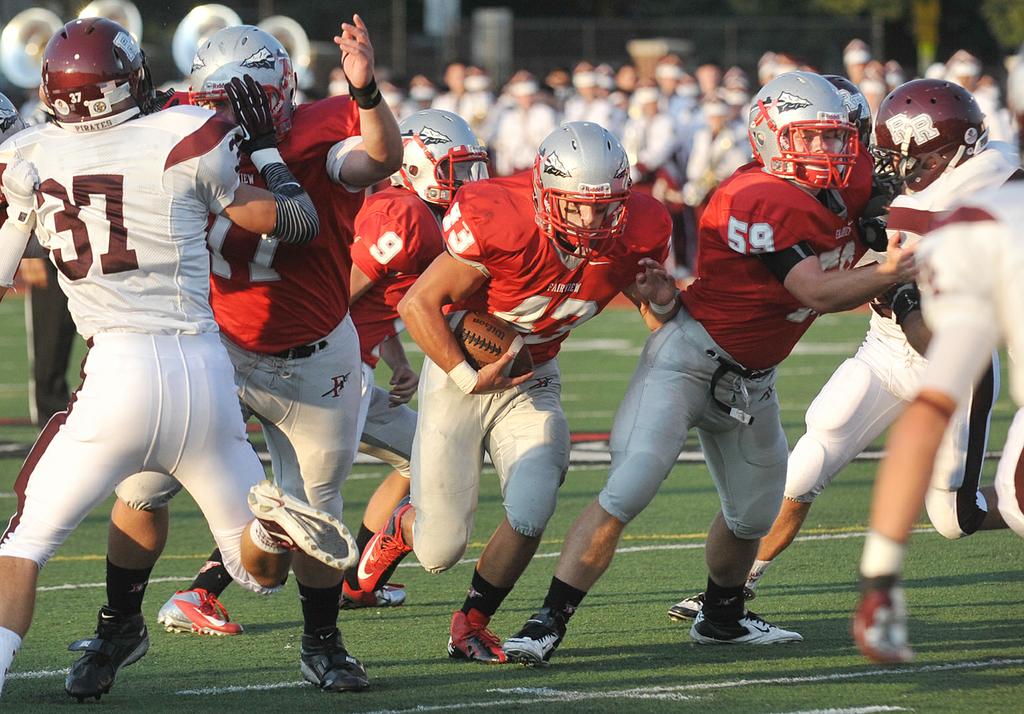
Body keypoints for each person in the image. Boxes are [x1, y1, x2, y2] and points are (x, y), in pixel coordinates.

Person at [500, 71, 917, 666]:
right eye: (811, 138)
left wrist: (898, 212)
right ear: (772, 137)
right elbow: (818, 292)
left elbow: (867, 227)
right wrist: (891, 269)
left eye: (833, 137)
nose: (829, 151)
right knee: (629, 487)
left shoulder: (844, 185)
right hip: (689, 359)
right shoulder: (756, 196)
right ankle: (548, 620)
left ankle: (722, 618)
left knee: (754, 513)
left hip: (753, 380)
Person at [0, 18, 354, 700]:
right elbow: (299, 223)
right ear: (127, 82)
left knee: (22, 545)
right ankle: (273, 531)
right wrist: (269, 154)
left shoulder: (33, 153)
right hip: (204, 373)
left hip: (116, 382)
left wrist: (20, 212)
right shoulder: (187, 137)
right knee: (257, 572)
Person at [71, 18, 403, 695]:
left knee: (313, 511)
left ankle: (321, 643)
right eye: (222, 101)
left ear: (283, 92)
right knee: (140, 485)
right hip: (212, 344)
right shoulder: (181, 129)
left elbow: (379, 158)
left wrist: (365, 91)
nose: (237, 115)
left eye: (249, 101)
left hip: (312, 357)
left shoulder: (316, 130)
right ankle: (119, 625)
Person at [668, 78, 1019, 621]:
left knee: (953, 516)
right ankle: (733, 590)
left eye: (922, 158)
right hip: (885, 350)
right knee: (811, 452)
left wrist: (898, 295)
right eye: (891, 154)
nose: (902, 169)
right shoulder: (860, 176)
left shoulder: (982, 189)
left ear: (959, 150)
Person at [355, 121, 673, 663]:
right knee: (438, 550)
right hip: (462, 374)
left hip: (532, 378)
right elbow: (417, 305)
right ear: (546, 193)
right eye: (576, 206)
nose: (593, 220)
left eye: (605, 205)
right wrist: (465, 375)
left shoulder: (637, 228)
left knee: (533, 502)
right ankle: (400, 528)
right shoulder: (499, 218)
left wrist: (664, 304)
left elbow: (660, 321)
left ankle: (471, 622)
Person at [853, 59, 1024, 665]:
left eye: (917, 162)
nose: (904, 176)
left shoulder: (970, 225)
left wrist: (879, 573)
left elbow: (931, 405)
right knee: (994, 503)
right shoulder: (988, 192)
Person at [341, 109, 490, 607]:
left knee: (417, 460)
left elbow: (378, 299)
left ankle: (357, 581)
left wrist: (396, 358)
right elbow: (341, 295)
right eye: (455, 168)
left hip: (356, 360)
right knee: (305, 492)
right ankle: (201, 591)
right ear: (416, 165)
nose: (465, 180)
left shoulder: (416, 213)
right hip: (335, 369)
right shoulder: (402, 212)